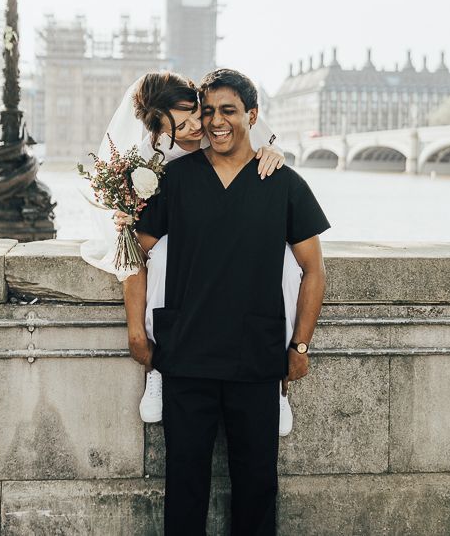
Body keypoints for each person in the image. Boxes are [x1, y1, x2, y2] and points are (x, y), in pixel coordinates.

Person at [123, 68, 330, 534]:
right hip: (185, 357)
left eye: (229, 111)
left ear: (252, 115)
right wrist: (136, 329)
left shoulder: (283, 182)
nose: (216, 121)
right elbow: (134, 255)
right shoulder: (173, 180)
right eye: (209, 111)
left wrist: (299, 345)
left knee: (258, 490)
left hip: (255, 358)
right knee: (184, 491)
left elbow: (314, 270)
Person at [82, 72, 299, 436]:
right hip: (178, 230)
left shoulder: (222, 114)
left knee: (289, 266)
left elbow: (273, 152)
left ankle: (277, 380)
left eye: (195, 114)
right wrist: (128, 216)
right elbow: (141, 239)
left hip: (240, 224)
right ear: (159, 133)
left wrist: (273, 153)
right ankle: (159, 370)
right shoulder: (144, 154)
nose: (198, 127)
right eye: (181, 126)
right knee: (163, 258)